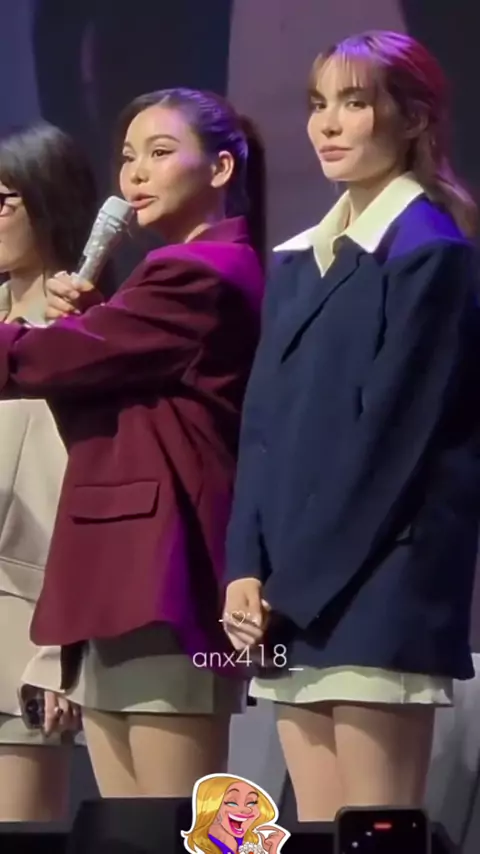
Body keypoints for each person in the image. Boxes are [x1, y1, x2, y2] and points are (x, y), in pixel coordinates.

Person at [223, 30, 480, 820]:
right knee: (314, 829)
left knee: (373, 831)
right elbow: (263, 427)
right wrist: (245, 568)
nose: (327, 124)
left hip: (379, 583)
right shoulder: (299, 259)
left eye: (354, 102)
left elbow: (391, 445)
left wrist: (288, 585)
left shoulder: (431, 253)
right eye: (317, 104)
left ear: (413, 118)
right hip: (291, 590)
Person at [3, 88, 264, 798]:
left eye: (159, 152)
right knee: (131, 828)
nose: (136, 174)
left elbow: (58, 360)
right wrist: (96, 320)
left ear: (220, 168)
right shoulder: (164, 279)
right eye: (127, 157)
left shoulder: (201, 272)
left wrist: (76, 334)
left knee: (179, 822)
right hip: (122, 575)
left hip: (165, 573)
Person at [0, 121, 100, 820]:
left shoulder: (83, 333)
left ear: (48, 200)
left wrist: (57, 653)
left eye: (2, 200)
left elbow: (83, 503)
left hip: (23, 636)